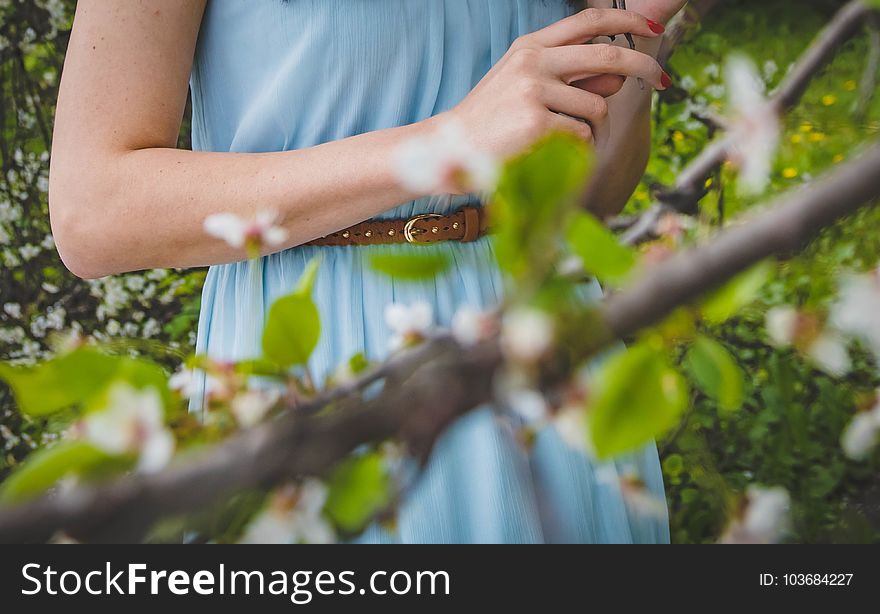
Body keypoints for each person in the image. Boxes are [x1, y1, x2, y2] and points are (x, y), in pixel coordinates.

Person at [49, 0, 687, 543]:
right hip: (331, 362)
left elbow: (596, 196)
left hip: (555, 354)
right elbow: (94, 210)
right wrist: (442, 146)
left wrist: (636, 33)